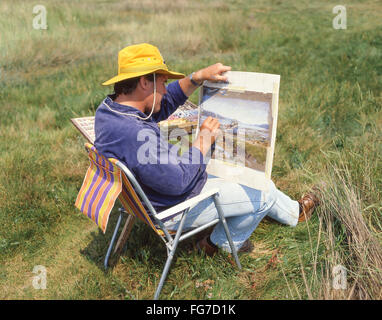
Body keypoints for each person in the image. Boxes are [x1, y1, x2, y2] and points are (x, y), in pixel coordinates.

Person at [95, 43, 319, 255]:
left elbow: (160, 107)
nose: (165, 90)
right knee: (263, 191)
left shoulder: (110, 111)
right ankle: (218, 245)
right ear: (145, 82)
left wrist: (196, 78)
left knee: (249, 175)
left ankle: (293, 213)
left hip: (151, 195)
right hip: (172, 208)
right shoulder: (134, 134)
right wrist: (202, 141)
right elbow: (178, 183)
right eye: (162, 83)